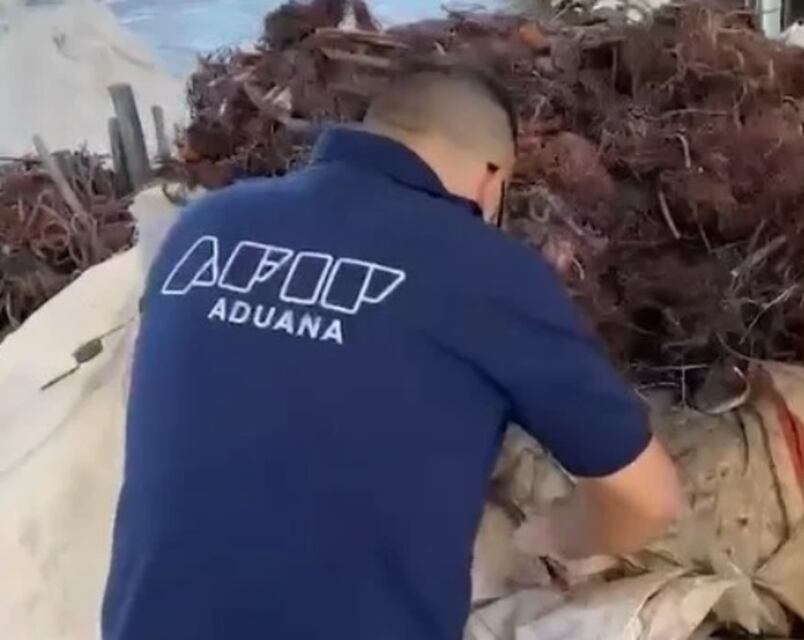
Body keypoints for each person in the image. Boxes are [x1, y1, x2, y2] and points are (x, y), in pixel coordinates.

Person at [102, 66, 681, 640]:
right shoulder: (484, 268)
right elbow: (648, 500)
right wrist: (551, 537)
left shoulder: (208, 223)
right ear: (490, 177)